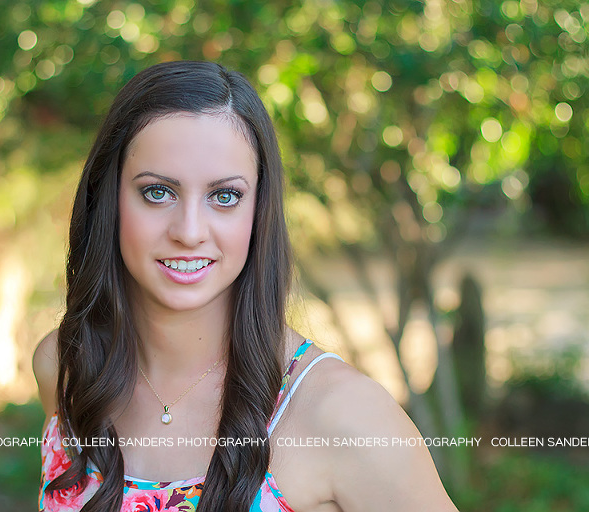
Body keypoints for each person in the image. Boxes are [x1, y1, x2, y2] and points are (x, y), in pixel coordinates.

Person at [33, 60, 459, 512]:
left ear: (259, 212)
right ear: (108, 198)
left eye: (225, 196)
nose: (190, 230)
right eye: (158, 192)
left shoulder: (344, 415)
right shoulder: (66, 367)